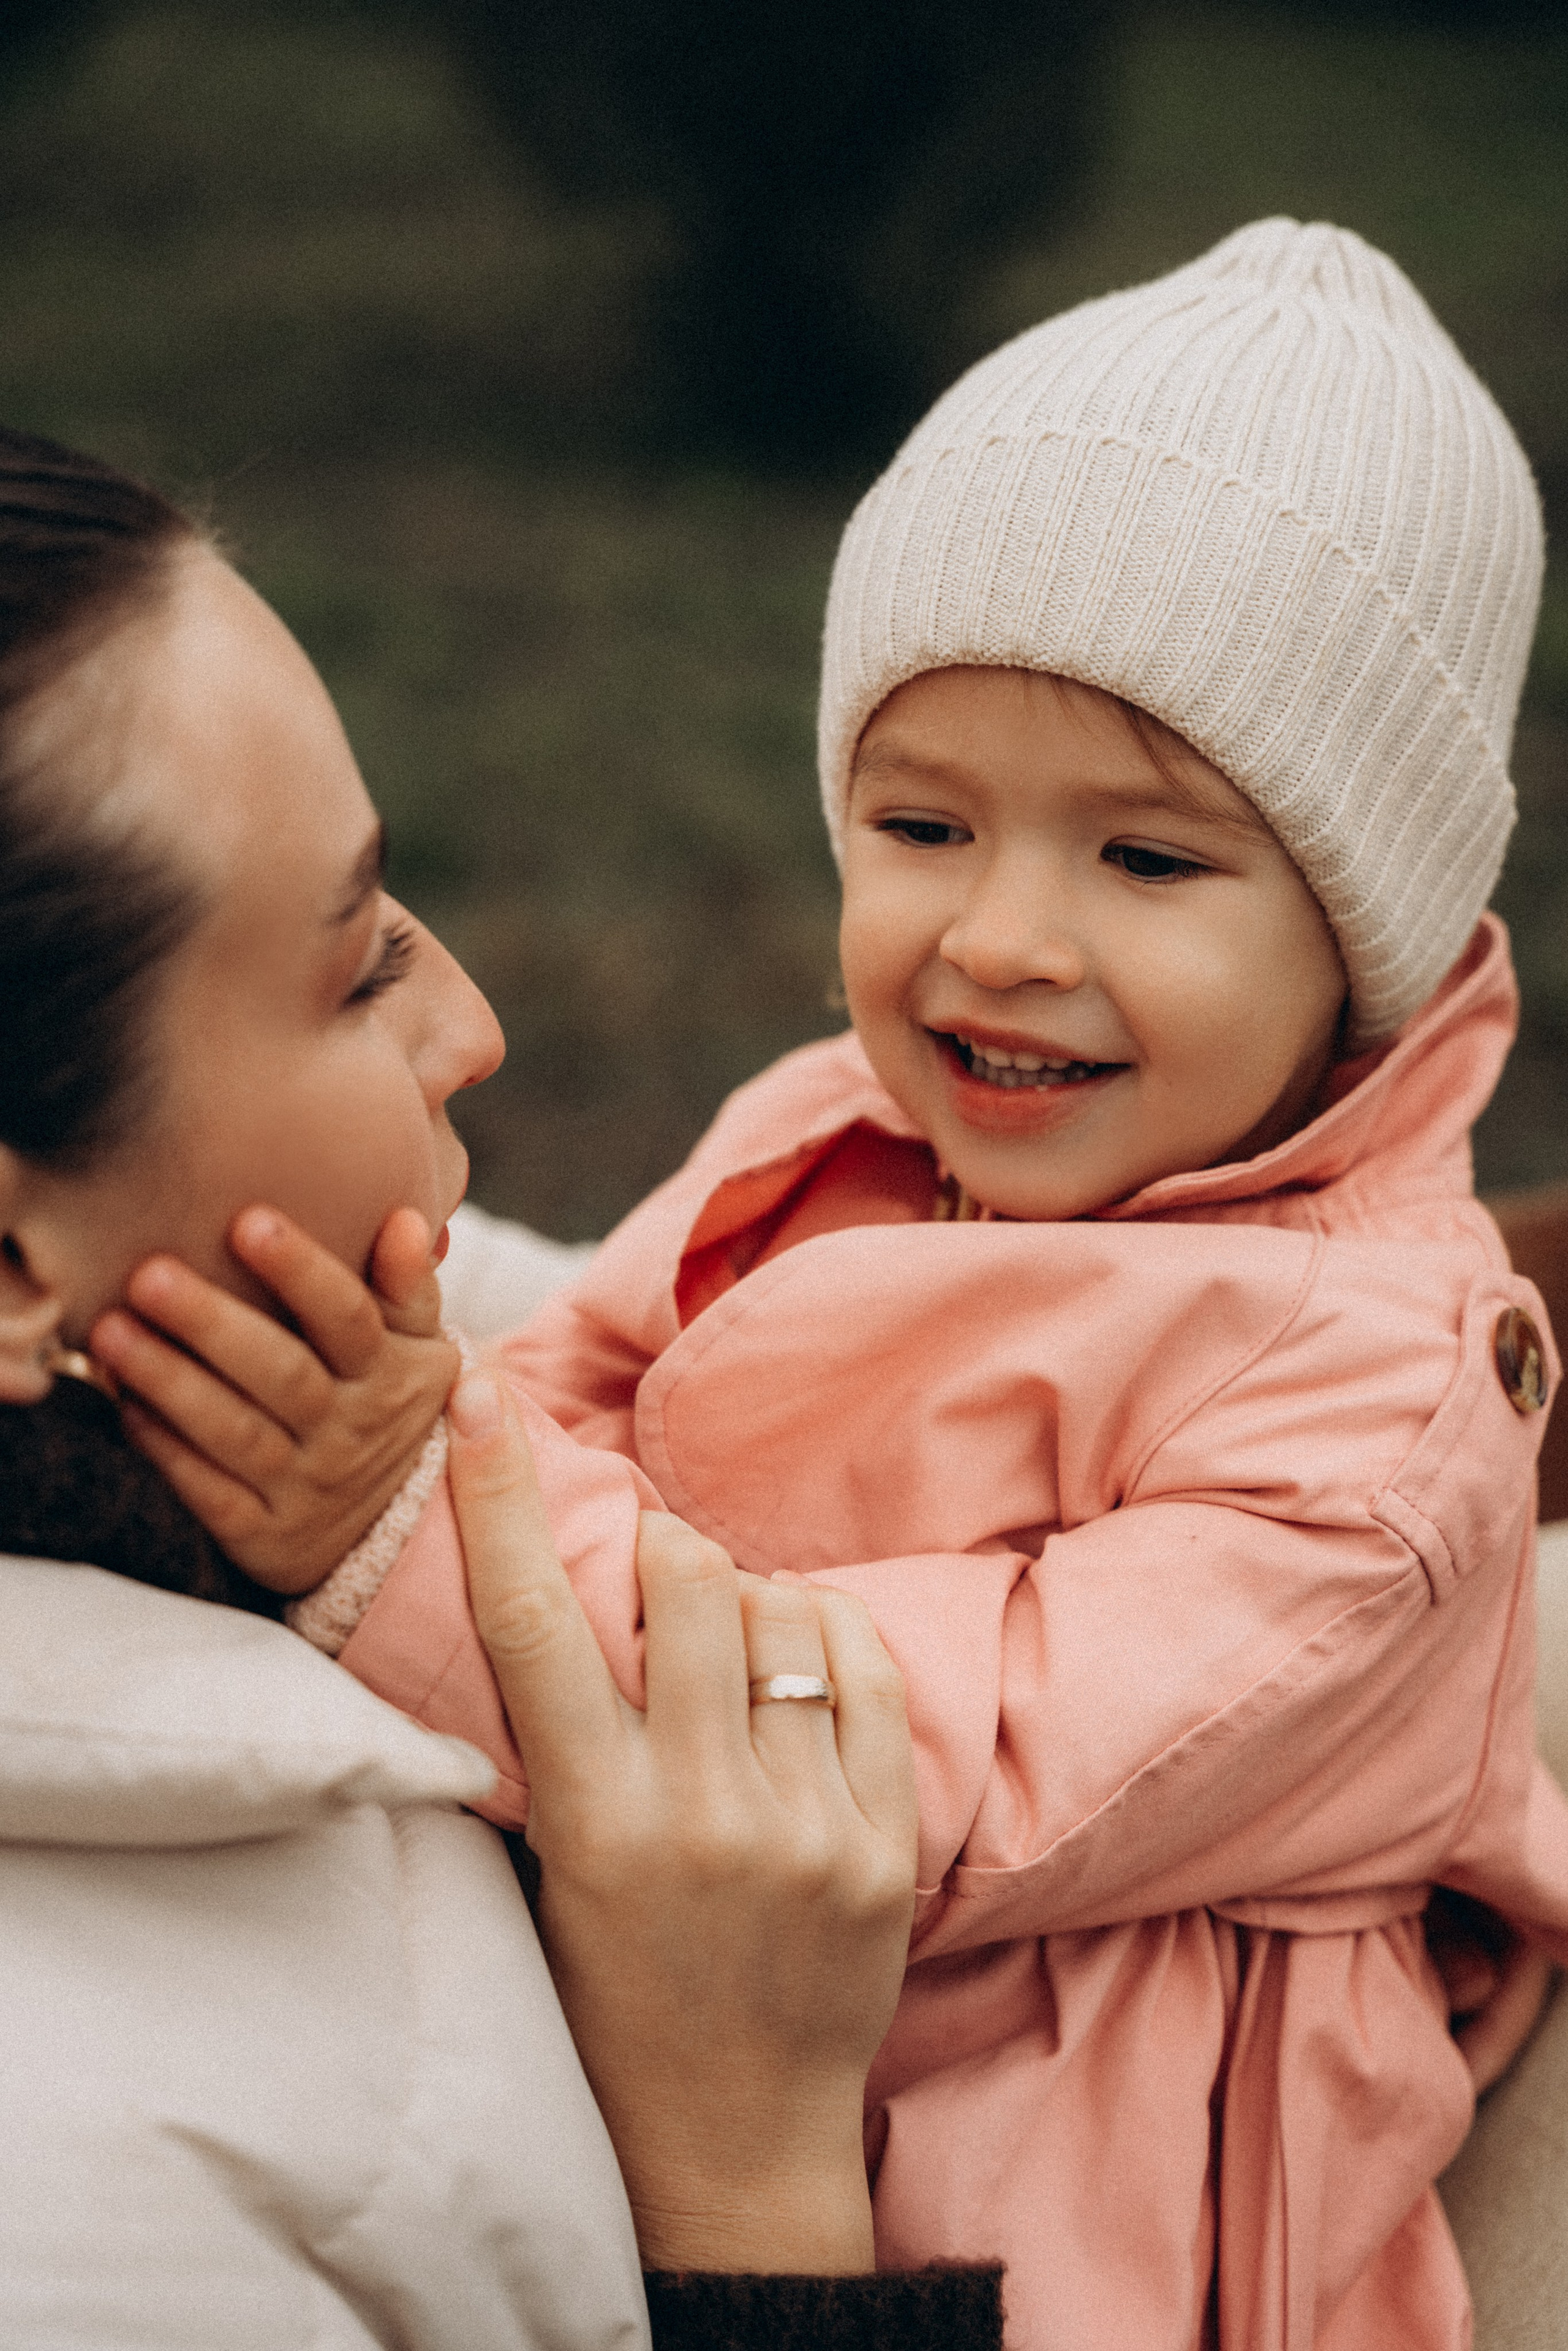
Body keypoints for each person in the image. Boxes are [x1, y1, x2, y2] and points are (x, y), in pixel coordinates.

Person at [110, 219, 1568, 2349]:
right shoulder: (832, 1126)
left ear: (1374, 941)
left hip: (1071, 2194)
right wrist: (402, 1407)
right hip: (724, 1989)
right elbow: (569, 1389)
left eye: (1146, 860)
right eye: (923, 822)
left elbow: (901, 1775)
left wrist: (399, 1542)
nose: (1000, 937)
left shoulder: (1377, 1400)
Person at [0, 428, 1004, 2347]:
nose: (474, 1023)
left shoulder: (279, 1372)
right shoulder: (98, 2213)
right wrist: (758, 2198)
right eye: (361, 961)